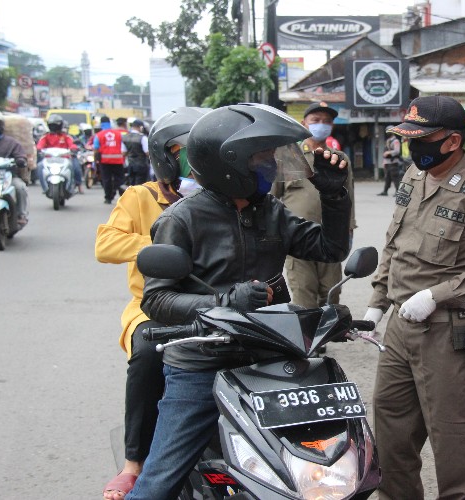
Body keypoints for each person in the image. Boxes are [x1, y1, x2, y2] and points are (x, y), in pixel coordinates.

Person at [127, 103, 352, 500]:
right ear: (227, 165)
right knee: (159, 483)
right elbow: (158, 298)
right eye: (262, 158)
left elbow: (330, 248)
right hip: (202, 363)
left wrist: (335, 197)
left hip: (266, 356)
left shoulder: (271, 211)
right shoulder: (182, 219)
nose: (270, 165)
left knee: (314, 465)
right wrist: (224, 300)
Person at [363, 95, 465, 499]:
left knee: (456, 446)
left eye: (422, 139)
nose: (413, 148)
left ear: (451, 142)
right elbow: (395, 245)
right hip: (400, 328)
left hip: (451, 334)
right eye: (408, 138)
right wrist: (377, 302)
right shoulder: (413, 177)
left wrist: (437, 294)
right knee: (391, 437)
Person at [95, 107, 210, 500]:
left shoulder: (225, 197)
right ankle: (134, 463)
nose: (193, 160)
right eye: (185, 151)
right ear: (165, 155)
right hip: (154, 304)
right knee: (147, 353)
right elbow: (106, 245)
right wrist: (166, 245)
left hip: (212, 301)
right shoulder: (140, 197)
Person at [270, 101, 356, 308]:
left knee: (330, 293)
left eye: (326, 121)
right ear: (303, 124)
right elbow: (272, 199)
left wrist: (348, 229)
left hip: (331, 237)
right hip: (297, 239)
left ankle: (323, 337)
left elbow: (349, 198)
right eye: (315, 120)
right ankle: (308, 340)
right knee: (303, 294)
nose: (321, 124)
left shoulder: (339, 159)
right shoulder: (289, 157)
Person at [0, 109, 29, 226]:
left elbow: (20, 154)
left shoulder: (11, 142)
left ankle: (21, 214)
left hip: (8, 176)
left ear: (1, 126)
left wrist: (21, 160)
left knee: (20, 187)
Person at [36, 113, 83, 194]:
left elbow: (72, 144)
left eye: (56, 125)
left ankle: (78, 185)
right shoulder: (46, 136)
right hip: (49, 159)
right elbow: (40, 145)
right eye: (52, 125)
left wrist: (73, 149)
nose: (54, 127)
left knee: (76, 167)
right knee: (40, 166)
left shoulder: (66, 136)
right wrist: (39, 149)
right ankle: (45, 187)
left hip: (65, 158)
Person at [94, 116, 126, 204]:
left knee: (106, 179)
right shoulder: (118, 134)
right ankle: (123, 197)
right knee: (120, 180)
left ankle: (108, 198)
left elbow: (96, 149)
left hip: (105, 162)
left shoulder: (99, 135)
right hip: (118, 161)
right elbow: (123, 147)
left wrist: (96, 160)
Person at [122, 119, 150, 186]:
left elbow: (123, 153)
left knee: (132, 184)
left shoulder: (124, 137)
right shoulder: (143, 138)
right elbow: (147, 152)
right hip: (142, 165)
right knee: (140, 184)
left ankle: (133, 196)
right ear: (140, 127)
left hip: (130, 165)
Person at [378, 125, 402, 196]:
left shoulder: (396, 141)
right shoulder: (388, 141)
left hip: (393, 162)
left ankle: (398, 191)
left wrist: (389, 152)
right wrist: (384, 162)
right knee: (387, 178)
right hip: (387, 162)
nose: (387, 133)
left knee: (395, 178)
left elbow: (397, 151)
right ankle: (385, 191)